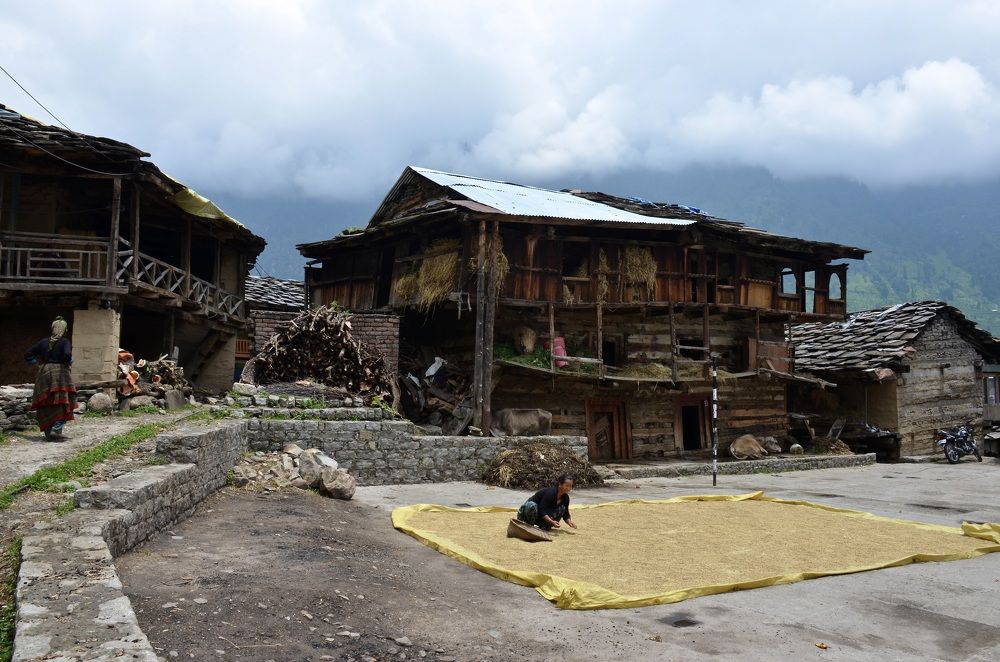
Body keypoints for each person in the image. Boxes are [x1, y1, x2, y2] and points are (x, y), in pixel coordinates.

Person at [25, 316, 77, 441]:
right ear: (64, 330)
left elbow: (28, 354)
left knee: (46, 401)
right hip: (60, 374)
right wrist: (69, 361)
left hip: (44, 373)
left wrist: (36, 364)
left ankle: (49, 433)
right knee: (63, 400)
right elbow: (67, 354)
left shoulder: (43, 342)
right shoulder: (65, 342)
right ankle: (56, 429)